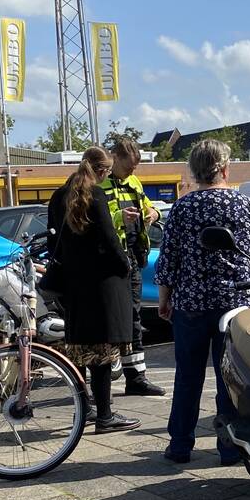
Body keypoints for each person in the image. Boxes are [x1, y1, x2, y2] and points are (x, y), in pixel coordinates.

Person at [155, 138, 250, 465]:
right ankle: (230, 447)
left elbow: (169, 260)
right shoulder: (243, 205)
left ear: (195, 171)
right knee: (230, 377)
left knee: (188, 376)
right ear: (223, 168)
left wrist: (165, 298)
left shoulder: (182, 207)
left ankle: (180, 445)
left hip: (191, 302)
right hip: (235, 302)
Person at [50, 146, 140, 434]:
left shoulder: (59, 196)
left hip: (73, 285)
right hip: (101, 284)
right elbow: (109, 238)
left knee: (81, 350)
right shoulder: (95, 194)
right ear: (102, 170)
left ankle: (85, 409)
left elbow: (54, 245)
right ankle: (105, 416)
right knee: (102, 350)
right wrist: (125, 265)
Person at [102, 138, 165, 397]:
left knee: (134, 318)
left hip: (133, 257)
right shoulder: (100, 183)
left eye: (135, 168)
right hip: (110, 261)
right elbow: (95, 216)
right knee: (111, 322)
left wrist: (154, 214)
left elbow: (149, 206)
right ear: (114, 158)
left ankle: (136, 378)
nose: (132, 172)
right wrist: (119, 217)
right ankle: (102, 382)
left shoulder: (134, 182)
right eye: (129, 167)